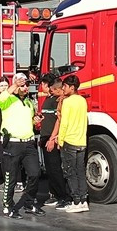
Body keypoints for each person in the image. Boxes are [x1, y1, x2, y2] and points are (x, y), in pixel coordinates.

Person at [0, 71, 41, 219]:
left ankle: (29, 202)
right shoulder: (7, 99)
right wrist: (15, 84)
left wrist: (36, 120)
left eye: (26, 85)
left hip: (28, 143)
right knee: (11, 177)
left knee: (35, 173)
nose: (25, 87)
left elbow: (31, 122)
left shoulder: (29, 102)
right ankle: (8, 205)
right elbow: (0, 100)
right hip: (13, 144)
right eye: (22, 84)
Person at [57, 75, 90, 213]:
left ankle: (76, 201)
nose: (63, 88)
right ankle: (83, 201)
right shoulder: (83, 101)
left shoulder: (68, 102)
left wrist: (60, 140)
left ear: (72, 87)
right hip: (81, 141)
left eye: (65, 86)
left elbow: (64, 123)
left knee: (70, 172)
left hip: (69, 141)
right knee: (80, 172)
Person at [38, 74, 70, 208]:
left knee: (56, 169)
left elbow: (59, 120)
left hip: (51, 138)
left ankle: (65, 197)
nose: (43, 87)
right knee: (50, 170)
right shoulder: (48, 99)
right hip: (45, 136)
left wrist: (53, 138)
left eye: (44, 85)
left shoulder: (59, 100)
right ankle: (55, 195)